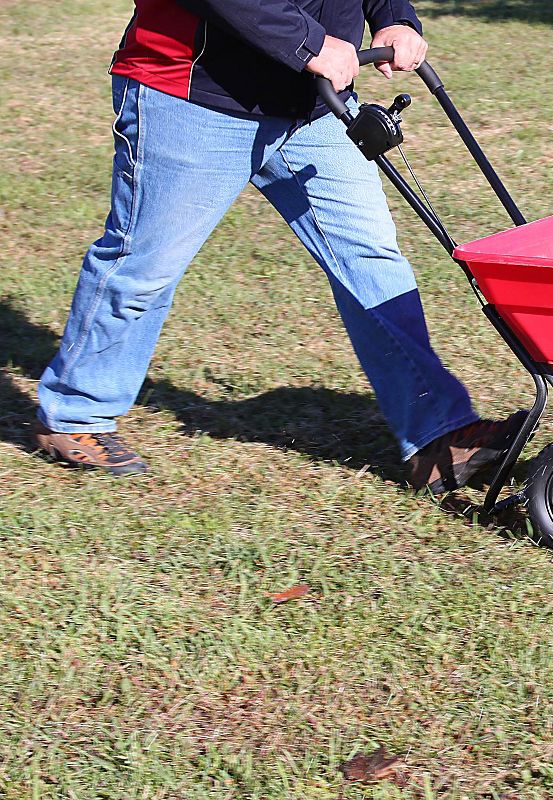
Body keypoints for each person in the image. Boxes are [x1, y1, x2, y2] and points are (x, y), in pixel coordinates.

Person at [33, 0, 525, 493]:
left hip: (316, 103)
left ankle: (436, 434)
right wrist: (308, 43)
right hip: (196, 95)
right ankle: (76, 415)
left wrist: (393, 15)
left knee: (371, 260)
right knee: (144, 266)